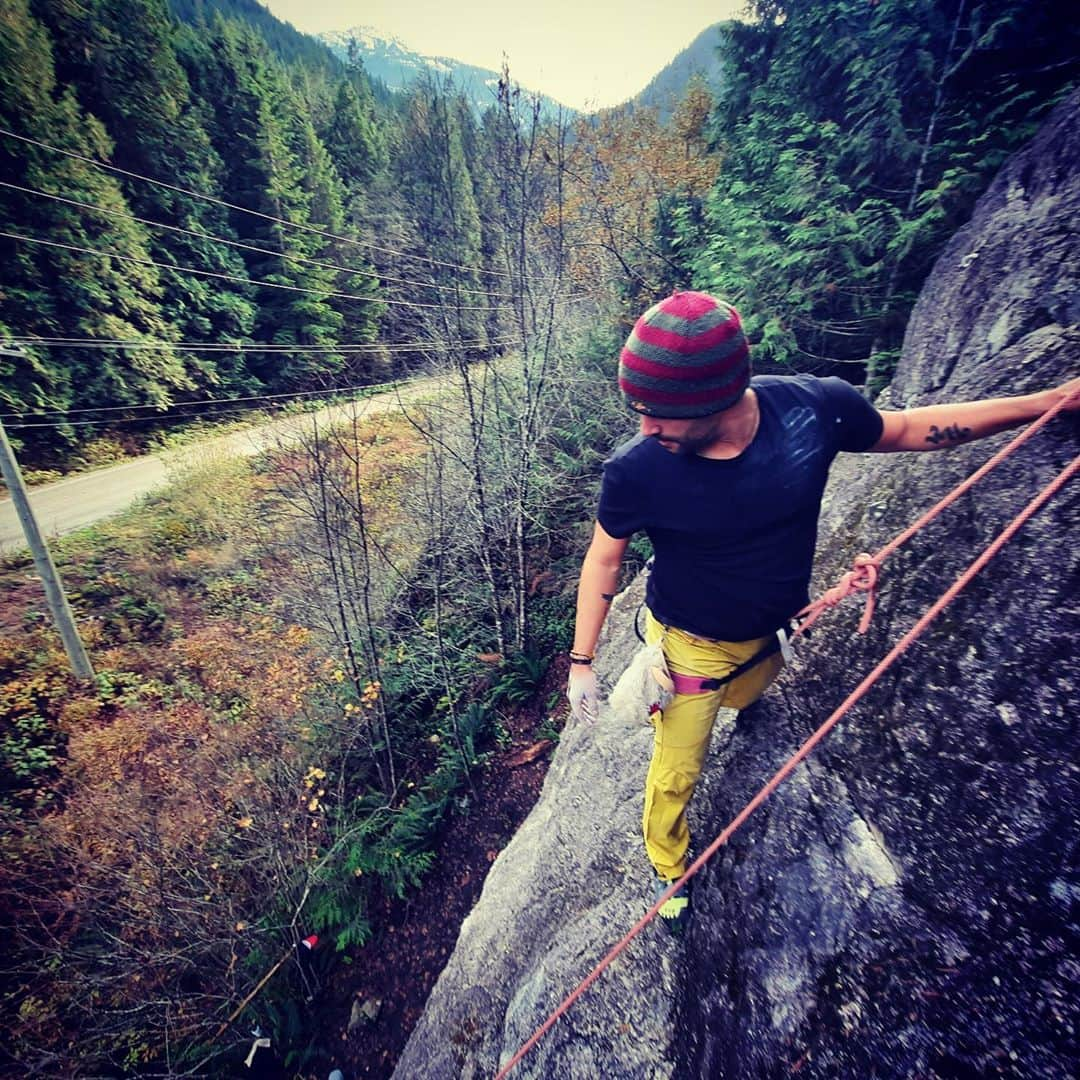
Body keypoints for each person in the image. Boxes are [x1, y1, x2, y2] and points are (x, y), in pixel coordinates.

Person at [566, 290, 1079, 936]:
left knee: (757, 688)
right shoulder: (638, 471)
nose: (645, 428)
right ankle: (670, 863)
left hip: (767, 634)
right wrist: (582, 661)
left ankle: (746, 696)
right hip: (691, 647)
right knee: (676, 771)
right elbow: (604, 560)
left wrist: (1044, 402)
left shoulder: (812, 413)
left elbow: (912, 428)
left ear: (715, 399)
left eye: (659, 413)